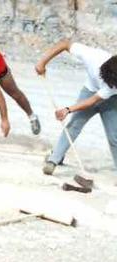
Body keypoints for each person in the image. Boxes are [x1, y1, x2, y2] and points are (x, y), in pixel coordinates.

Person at [35, 38, 117, 175]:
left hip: (110, 100)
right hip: (90, 90)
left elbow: (93, 101)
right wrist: (43, 62)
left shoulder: (113, 88)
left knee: (114, 136)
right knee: (74, 126)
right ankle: (54, 160)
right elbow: (65, 43)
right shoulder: (93, 57)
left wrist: (68, 109)